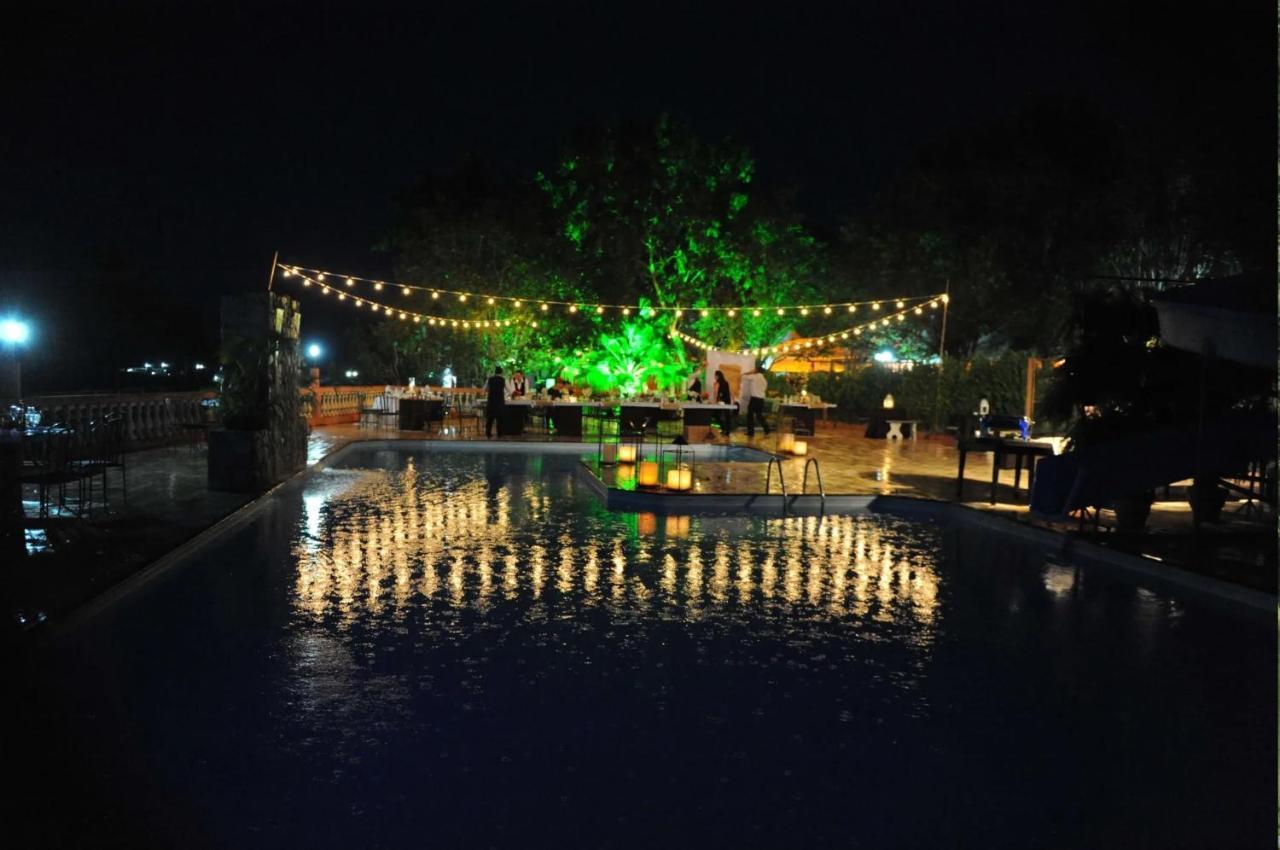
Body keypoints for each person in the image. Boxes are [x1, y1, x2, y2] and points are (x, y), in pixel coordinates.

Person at [741, 368, 771, 438]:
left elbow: (743, 376)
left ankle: (751, 432)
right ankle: (767, 429)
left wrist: (750, 372)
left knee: (750, 415)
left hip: (754, 399)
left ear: (756, 371)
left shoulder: (754, 377)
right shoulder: (764, 380)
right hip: (761, 399)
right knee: (759, 415)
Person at [485, 365, 507, 438]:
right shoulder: (503, 380)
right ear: (501, 372)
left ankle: (488, 433)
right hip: (500, 401)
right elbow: (509, 390)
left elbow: (485, 389)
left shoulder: (490, 379)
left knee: (490, 418)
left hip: (491, 401)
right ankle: (499, 433)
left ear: (495, 372)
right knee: (499, 418)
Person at [714, 370, 734, 436]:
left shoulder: (717, 383)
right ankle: (727, 431)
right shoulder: (726, 382)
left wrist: (715, 401)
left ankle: (723, 428)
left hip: (720, 401)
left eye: (715, 375)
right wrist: (733, 400)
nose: (715, 377)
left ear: (718, 376)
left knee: (717, 415)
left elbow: (716, 393)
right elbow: (731, 392)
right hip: (727, 400)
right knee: (727, 416)